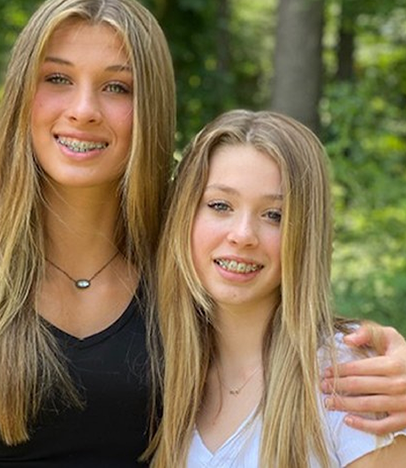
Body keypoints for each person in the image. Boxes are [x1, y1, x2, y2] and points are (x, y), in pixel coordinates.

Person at [0, 0, 405, 468]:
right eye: (57, 79)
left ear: (151, 110)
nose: (83, 110)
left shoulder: (186, 278)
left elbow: (294, 338)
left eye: (117, 87)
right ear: (20, 96)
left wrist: (387, 356)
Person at [150, 110, 406, 467]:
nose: (242, 235)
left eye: (274, 215)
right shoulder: (160, 372)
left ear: (306, 234)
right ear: (184, 216)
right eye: (220, 205)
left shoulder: (344, 373)